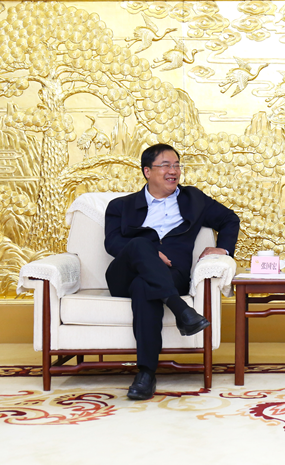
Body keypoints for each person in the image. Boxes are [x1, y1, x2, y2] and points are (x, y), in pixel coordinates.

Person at [105, 143, 240, 400]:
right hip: (123, 275)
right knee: (140, 244)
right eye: (165, 165)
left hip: (171, 275)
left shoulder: (193, 199)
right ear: (147, 171)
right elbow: (112, 243)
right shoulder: (120, 206)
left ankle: (146, 374)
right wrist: (150, 253)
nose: (173, 171)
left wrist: (223, 249)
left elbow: (229, 219)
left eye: (177, 165)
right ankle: (181, 309)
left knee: (145, 287)